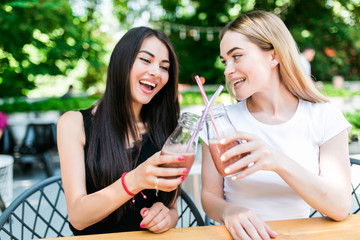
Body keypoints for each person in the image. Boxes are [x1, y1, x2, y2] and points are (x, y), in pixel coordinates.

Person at [201, 10, 351, 240]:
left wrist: (277, 161)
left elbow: (340, 207)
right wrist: (230, 212)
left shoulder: (324, 116)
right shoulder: (218, 121)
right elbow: (210, 196)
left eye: (237, 56)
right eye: (225, 61)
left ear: (273, 56)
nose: (227, 70)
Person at [57, 27, 187, 235]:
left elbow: (171, 208)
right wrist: (135, 180)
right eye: (146, 60)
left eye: (164, 67)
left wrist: (166, 216)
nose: (156, 72)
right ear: (121, 62)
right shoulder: (74, 124)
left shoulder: (165, 128)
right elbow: (77, 217)